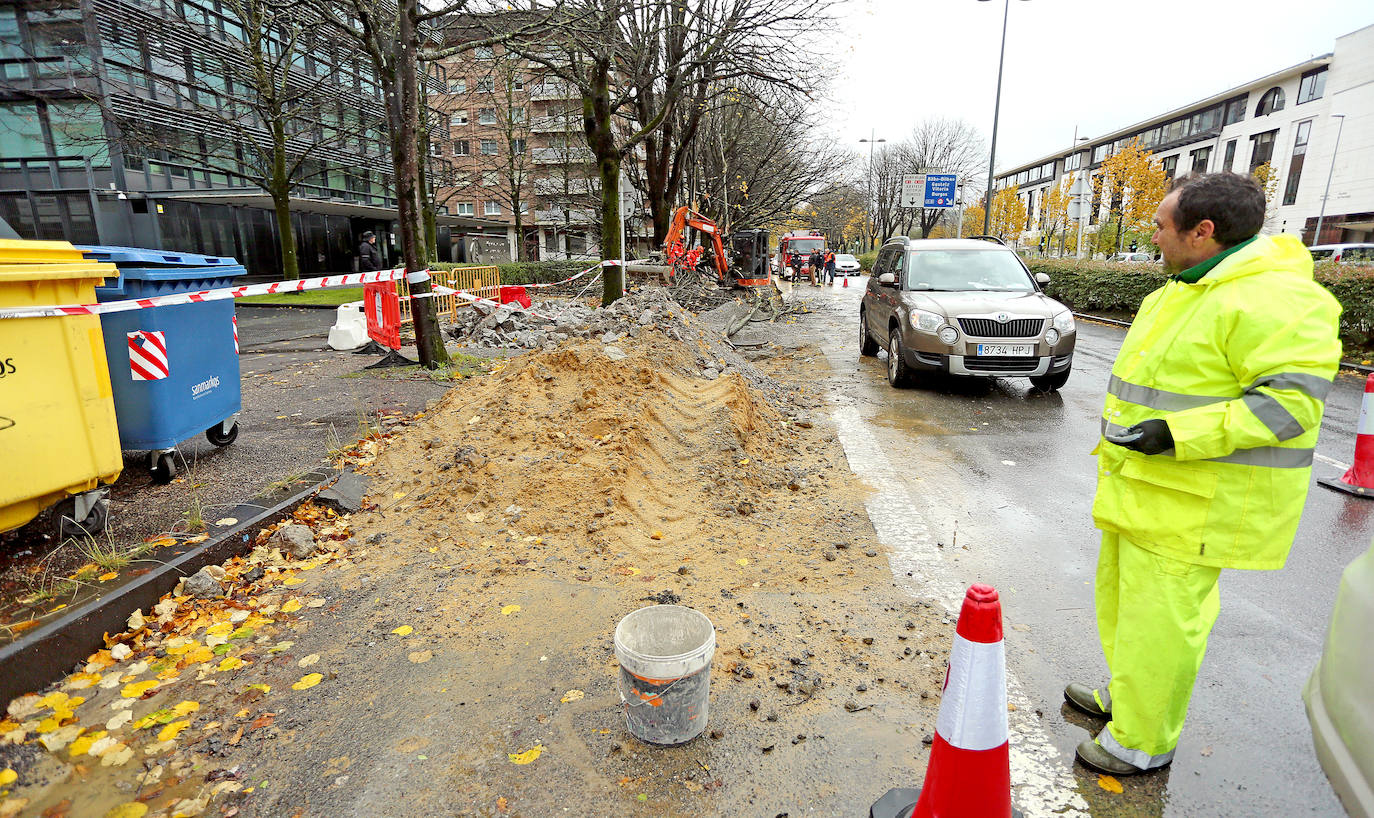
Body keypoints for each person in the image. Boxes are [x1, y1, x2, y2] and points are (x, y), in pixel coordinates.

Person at [1066, 173, 1341, 776]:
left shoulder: (1277, 299)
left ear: (1203, 231)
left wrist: (1178, 435)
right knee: (1124, 609)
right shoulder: (1181, 288)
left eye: (1162, 225)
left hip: (1196, 500)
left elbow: (1290, 407)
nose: (1154, 235)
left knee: (1163, 622)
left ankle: (1142, 740)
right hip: (1144, 488)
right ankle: (1126, 699)